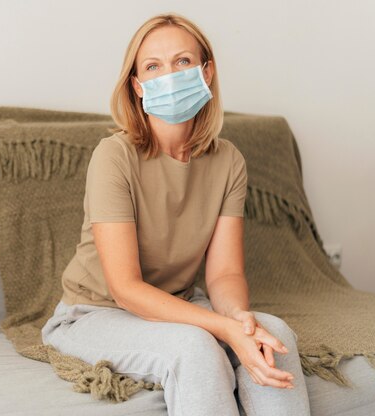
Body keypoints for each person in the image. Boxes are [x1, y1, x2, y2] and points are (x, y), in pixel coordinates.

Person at [41, 12, 311, 416]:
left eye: (182, 61)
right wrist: (222, 329)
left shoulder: (228, 161)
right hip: (95, 313)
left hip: (179, 303)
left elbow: (224, 274)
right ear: (137, 86)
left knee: (275, 336)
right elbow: (126, 288)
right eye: (153, 66)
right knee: (195, 348)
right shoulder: (114, 157)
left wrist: (238, 318)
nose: (169, 74)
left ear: (207, 71)